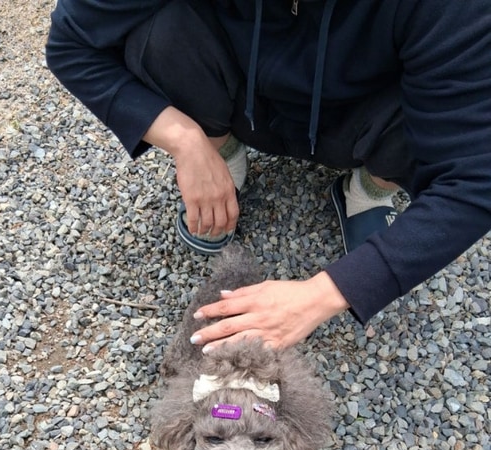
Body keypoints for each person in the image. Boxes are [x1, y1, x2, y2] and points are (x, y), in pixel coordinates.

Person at [46, 0, 491, 351]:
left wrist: (326, 292)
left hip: (363, 116)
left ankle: (371, 189)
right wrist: (185, 139)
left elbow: (475, 180)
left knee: (442, 117)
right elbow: (70, 45)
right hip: (244, 97)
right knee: (159, 33)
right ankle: (224, 156)